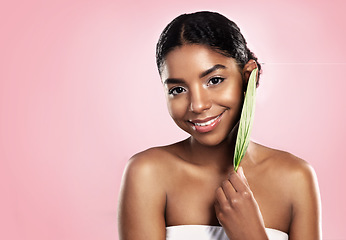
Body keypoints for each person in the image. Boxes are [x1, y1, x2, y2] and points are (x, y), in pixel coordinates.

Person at [118, 11, 321, 240]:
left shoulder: (296, 178)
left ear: (247, 77)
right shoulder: (148, 174)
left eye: (214, 80)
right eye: (178, 90)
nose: (198, 105)